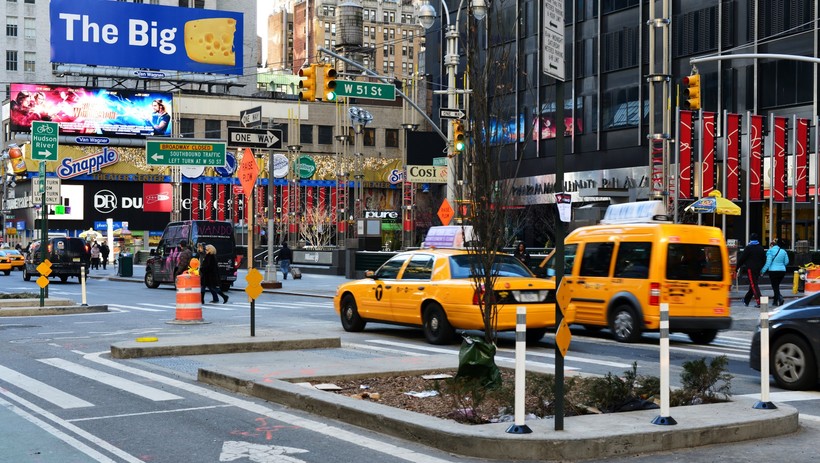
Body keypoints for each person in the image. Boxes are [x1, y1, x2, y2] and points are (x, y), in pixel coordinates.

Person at [737, 233, 767, 308]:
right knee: (753, 284)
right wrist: (761, 268)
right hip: (758, 269)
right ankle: (746, 300)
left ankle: (760, 302)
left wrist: (736, 267)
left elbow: (742, 259)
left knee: (753, 285)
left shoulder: (748, 248)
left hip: (750, 268)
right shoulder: (761, 248)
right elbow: (764, 259)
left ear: (750, 239)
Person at [761, 238, 790, 306]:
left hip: (773, 271)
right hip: (782, 271)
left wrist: (762, 271)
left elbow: (768, 263)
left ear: (771, 245)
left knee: (775, 286)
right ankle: (775, 302)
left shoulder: (770, 251)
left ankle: (780, 298)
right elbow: (786, 262)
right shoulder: (783, 251)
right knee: (776, 286)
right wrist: (781, 265)